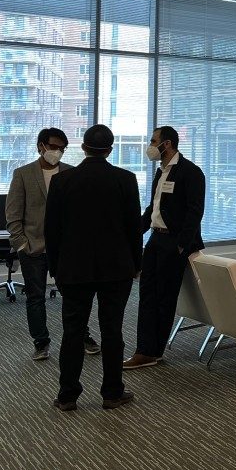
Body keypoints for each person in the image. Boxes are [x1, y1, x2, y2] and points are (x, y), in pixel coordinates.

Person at [45, 124, 142, 411]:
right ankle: (112, 392)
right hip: (117, 270)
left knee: (72, 332)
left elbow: (53, 231)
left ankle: (67, 395)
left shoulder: (63, 181)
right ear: (110, 149)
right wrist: (136, 264)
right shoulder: (126, 179)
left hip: (73, 270)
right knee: (112, 331)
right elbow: (133, 229)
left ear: (83, 148)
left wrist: (55, 267)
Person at [4, 128, 98, 361]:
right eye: (54, 147)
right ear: (41, 146)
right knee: (36, 297)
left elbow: (80, 214)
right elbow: (13, 214)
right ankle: (41, 342)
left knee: (74, 296)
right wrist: (21, 244)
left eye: (62, 149)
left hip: (66, 249)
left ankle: (82, 336)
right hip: (33, 247)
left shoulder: (71, 173)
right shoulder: (23, 174)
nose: (58, 152)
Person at [123, 126, 205, 369]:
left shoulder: (190, 172)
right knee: (147, 294)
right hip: (156, 240)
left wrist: (181, 245)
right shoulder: (161, 172)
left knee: (164, 298)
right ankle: (146, 349)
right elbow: (154, 208)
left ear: (166, 144)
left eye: (153, 140)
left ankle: (151, 351)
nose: (150, 145)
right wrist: (135, 231)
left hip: (174, 243)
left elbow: (195, 212)